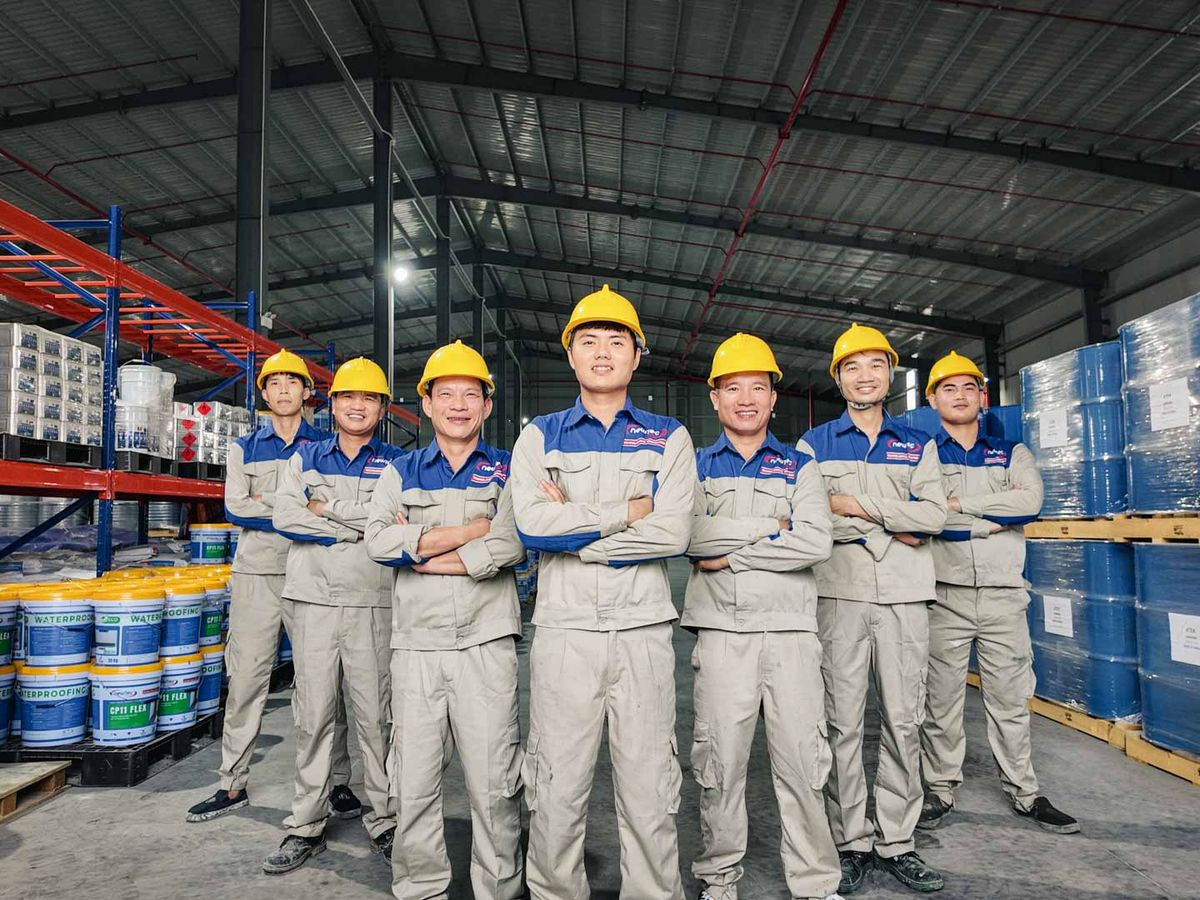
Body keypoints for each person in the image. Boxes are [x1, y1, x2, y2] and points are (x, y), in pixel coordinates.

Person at [510, 285, 696, 900]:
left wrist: (577, 533)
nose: (602, 352)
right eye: (588, 341)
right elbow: (532, 526)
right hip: (564, 632)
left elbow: (674, 531)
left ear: (636, 356)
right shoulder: (540, 436)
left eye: (616, 341)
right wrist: (629, 511)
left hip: (643, 630)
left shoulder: (669, 436)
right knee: (556, 783)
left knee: (649, 785)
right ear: (570, 355)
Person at [365, 341, 525, 899]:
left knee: (495, 780)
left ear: (486, 405)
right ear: (427, 404)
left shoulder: (508, 468)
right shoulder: (400, 470)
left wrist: (422, 550)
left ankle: (498, 889)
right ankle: (420, 887)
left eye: (470, 395)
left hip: (487, 642)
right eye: (446, 394)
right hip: (418, 646)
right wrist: (472, 531)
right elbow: (378, 541)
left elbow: (513, 544)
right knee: (414, 778)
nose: (459, 405)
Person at [685, 334, 842, 900]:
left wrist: (732, 555)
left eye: (757, 388)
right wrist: (772, 528)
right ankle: (719, 878)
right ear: (715, 398)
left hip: (791, 634)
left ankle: (815, 883)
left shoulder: (801, 465)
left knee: (803, 762)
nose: (746, 399)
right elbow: (690, 538)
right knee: (719, 764)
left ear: (773, 398)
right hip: (723, 634)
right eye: (733, 388)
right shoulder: (695, 466)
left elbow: (816, 541)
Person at [797, 324, 948, 895]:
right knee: (842, 721)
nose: (865, 376)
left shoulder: (917, 443)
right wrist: (892, 522)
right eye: (853, 367)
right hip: (839, 595)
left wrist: (858, 507)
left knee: (905, 719)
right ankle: (852, 840)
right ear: (838, 379)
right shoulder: (813, 445)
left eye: (875, 365)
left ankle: (897, 839)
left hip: (906, 597)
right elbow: (813, 520)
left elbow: (933, 516)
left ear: (890, 374)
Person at [187, 350, 360, 824]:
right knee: (246, 678)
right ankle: (232, 782)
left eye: (293, 382)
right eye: (275, 383)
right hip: (258, 575)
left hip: (314, 574)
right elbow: (236, 508)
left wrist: (272, 502)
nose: (284, 390)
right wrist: (296, 508)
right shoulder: (244, 447)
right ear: (263, 392)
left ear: (308, 392)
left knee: (323, 684)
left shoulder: (324, 446)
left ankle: (336, 782)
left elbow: (337, 511)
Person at [918, 351, 1078, 834]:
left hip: (1004, 596)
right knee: (940, 700)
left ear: (982, 397)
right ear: (932, 399)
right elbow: (927, 518)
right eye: (948, 388)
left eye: (969, 387)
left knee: (1010, 699)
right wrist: (988, 520)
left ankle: (1024, 792)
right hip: (943, 595)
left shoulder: (1012, 452)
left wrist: (960, 504)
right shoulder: (924, 455)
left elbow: (1030, 502)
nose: (960, 396)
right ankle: (941, 788)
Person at [263, 357, 402, 874]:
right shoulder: (306, 457)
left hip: (373, 603)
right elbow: (285, 515)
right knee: (314, 716)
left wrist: (324, 510)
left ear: (382, 408)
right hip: (315, 603)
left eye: (368, 398)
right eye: (348, 397)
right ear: (332, 404)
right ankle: (306, 825)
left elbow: (396, 524)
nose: (357, 406)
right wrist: (357, 527)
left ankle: (387, 821)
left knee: (377, 718)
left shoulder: (398, 464)